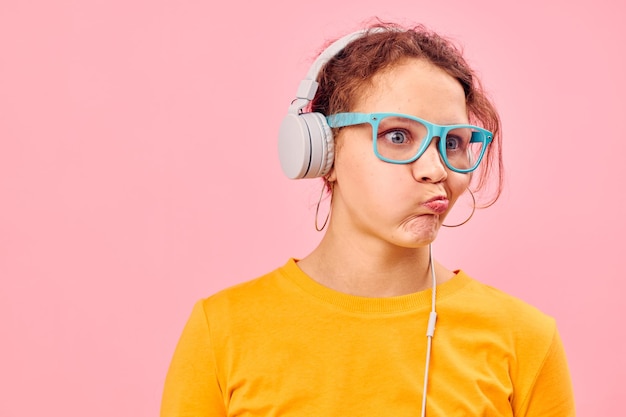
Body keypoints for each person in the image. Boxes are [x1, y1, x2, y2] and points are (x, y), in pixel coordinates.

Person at [161, 21, 575, 416]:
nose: (437, 169)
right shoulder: (222, 332)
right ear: (323, 152)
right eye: (397, 136)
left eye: (453, 142)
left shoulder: (526, 339)